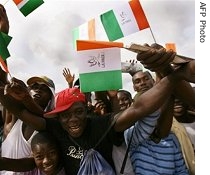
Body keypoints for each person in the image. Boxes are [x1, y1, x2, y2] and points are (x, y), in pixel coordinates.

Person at [0, 48, 194, 174]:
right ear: (58, 116)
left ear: (86, 109)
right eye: (66, 115)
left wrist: (175, 77)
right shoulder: (56, 127)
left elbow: (138, 108)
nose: (72, 120)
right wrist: (10, 92)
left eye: (77, 112)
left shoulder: (102, 124)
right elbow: (20, 112)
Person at [0, 76, 55, 175]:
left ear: (51, 98)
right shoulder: (13, 118)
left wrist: (3, 163)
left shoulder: (48, 125)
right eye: (34, 87)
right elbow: (4, 93)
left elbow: (32, 163)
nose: (38, 90)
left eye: (44, 89)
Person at [112, 90, 134, 175]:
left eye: (125, 99)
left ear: (131, 100)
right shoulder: (110, 125)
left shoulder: (139, 120)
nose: (121, 103)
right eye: (117, 101)